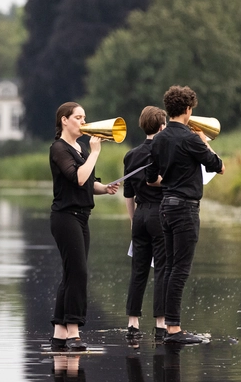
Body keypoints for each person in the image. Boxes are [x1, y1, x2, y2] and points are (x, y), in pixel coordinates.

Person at [145, 86, 224, 345]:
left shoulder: (158, 139)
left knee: (168, 268)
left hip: (165, 207)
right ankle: (175, 329)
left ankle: (169, 326)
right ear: (188, 109)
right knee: (180, 269)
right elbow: (218, 166)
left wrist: (171, 179)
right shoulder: (191, 139)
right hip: (185, 209)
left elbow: (151, 178)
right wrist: (204, 144)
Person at [49, 102, 119, 352]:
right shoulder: (59, 148)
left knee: (71, 273)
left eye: (85, 117)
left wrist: (105, 188)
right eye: (78, 117)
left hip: (81, 216)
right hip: (65, 216)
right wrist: (96, 153)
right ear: (64, 121)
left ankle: (59, 332)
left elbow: (89, 182)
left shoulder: (80, 149)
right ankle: (74, 332)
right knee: (78, 272)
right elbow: (78, 178)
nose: (83, 121)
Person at [122, 106, 168, 341]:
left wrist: (132, 219)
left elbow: (127, 193)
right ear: (162, 127)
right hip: (160, 214)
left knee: (138, 270)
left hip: (139, 215)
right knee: (161, 268)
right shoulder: (164, 151)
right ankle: (160, 323)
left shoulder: (130, 155)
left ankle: (132, 323)